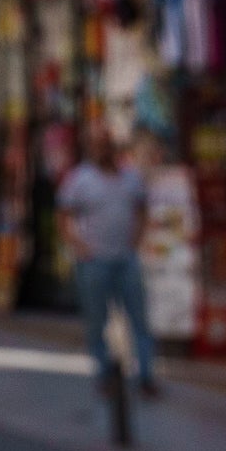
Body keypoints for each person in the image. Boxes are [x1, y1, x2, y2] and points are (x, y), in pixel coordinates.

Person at [55, 147, 157, 400]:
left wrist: (136, 240)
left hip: (126, 259)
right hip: (94, 262)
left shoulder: (131, 178)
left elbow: (142, 208)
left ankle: (145, 376)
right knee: (96, 321)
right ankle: (104, 375)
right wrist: (79, 246)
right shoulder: (81, 179)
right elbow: (63, 215)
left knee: (139, 320)